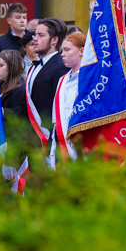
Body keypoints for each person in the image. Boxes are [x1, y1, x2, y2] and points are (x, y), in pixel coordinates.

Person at [25, 18, 68, 147]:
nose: (34, 39)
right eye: (35, 34)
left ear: (54, 40)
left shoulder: (60, 67)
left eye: (41, 35)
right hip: (32, 138)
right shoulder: (34, 67)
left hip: (49, 139)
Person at [49, 31, 85, 165]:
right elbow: (56, 121)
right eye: (61, 50)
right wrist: (53, 154)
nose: (62, 54)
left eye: (67, 50)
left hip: (81, 141)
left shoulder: (89, 80)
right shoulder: (62, 80)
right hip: (61, 141)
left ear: (81, 51)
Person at [0, 49, 27, 117]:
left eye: (1, 65)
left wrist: (1, 111)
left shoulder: (20, 89)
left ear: (12, 67)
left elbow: (19, 113)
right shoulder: (1, 85)